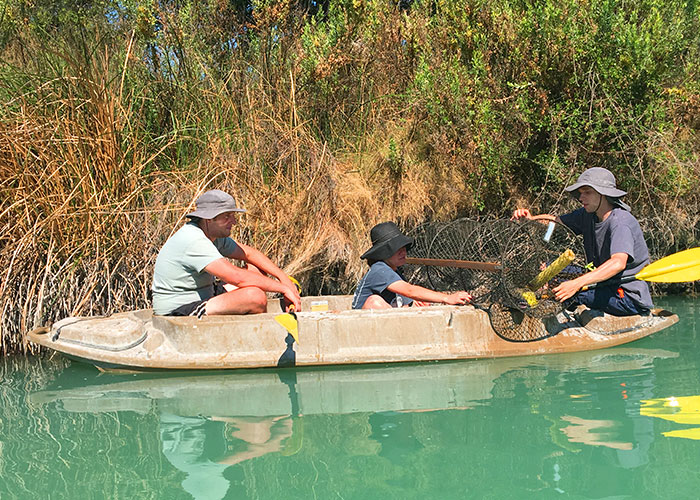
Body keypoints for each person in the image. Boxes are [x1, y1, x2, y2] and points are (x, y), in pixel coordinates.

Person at [512, 167, 653, 316]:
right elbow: (554, 223)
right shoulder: (588, 215)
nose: (581, 198)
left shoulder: (620, 222)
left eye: (587, 192)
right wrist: (530, 220)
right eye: (580, 193)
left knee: (571, 292)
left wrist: (576, 284)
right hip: (601, 282)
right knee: (548, 268)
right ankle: (539, 302)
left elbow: (618, 263)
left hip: (625, 297)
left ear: (603, 194)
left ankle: (552, 311)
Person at [152, 189, 301, 317]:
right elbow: (236, 277)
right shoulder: (193, 240)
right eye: (227, 217)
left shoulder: (212, 235)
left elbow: (249, 254)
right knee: (255, 297)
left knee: (257, 270)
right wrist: (283, 289)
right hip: (180, 308)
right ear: (209, 219)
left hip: (207, 293)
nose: (234, 222)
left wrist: (284, 279)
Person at [352, 221, 472, 309]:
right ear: (384, 252)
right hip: (362, 329)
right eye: (397, 249)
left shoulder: (395, 272)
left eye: (404, 248)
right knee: (375, 302)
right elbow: (410, 290)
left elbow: (406, 300)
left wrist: (414, 303)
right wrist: (447, 298)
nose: (403, 252)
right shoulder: (379, 270)